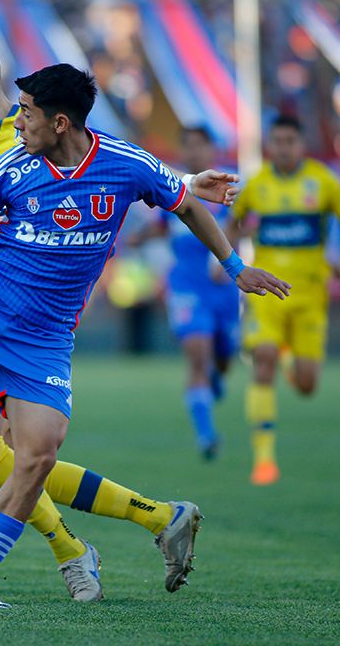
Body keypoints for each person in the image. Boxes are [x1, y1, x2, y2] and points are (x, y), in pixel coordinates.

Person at [0, 40, 262, 604]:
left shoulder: (34, 121)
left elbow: (115, 164)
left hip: (40, 326)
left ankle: (74, 548)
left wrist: (192, 195)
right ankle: (109, 536)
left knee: (10, 451)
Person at [204, 115, 340, 485]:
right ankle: (264, 459)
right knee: (264, 359)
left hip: (309, 295)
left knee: (306, 385)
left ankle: (288, 353)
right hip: (265, 292)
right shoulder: (256, 185)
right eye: (278, 141)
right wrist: (225, 259)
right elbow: (231, 223)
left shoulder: (322, 182)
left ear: (301, 144)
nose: (284, 148)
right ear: (270, 145)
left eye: (291, 141)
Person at [129, 126, 240, 460]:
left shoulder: (229, 191)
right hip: (186, 287)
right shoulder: (178, 191)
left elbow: (246, 222)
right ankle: (206, 435)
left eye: (198, 145)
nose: (191, 152)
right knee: (197, 354)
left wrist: (229, 254)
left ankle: (215, 379)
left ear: (211, 149)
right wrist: (141, 238)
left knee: (224, 356)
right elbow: (164, 225)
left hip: (223, 290)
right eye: (186, 146)